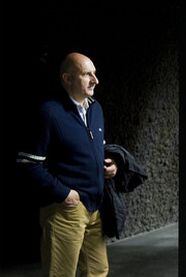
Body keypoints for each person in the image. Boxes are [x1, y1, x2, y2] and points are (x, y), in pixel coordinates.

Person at [16, 52, 117, 276]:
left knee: (98, 271)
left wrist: (109, 167)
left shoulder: (95, 109)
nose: (95, 80)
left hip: (95, 208)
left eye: (95, 74)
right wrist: (63, 193)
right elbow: (27, 163)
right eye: (87, 74)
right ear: (67, 79)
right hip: (66, 210)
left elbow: (96, 149)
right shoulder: (49, 113)